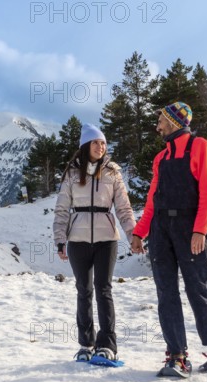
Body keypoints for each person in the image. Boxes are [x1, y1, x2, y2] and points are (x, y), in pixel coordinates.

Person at [131, 102, 207, 375]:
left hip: (189, 226)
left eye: (161, 120)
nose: (158, 126)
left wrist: (200, 229)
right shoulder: (160, 158)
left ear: (175, 121)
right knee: (166, 291)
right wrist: (140, 231)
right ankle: (177, 355)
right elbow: (152, 200)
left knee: (198, 286)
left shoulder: (200, 146)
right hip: (161, 228)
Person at [53, 123, 135, 362]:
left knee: (103, 289)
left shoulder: (112, 173)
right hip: (77, 240)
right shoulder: (71, 174)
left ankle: (107, 344)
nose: (101, 147)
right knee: (83, 291)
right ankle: (86, 344)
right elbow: (61, 210)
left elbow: (124, 208)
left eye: (103, 143)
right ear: (85, 146)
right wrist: (60, 239)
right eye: (96, 142)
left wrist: (133, 235)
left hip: (106, 240)